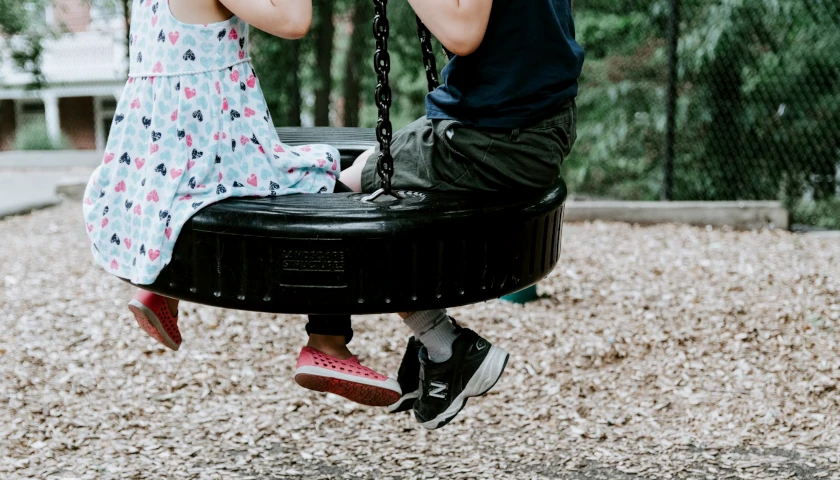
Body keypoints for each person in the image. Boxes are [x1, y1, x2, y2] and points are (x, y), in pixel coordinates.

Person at [81, 0, 402, 406]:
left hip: (159, 158)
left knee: (187, 196)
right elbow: (293, 21)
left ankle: (160, 280)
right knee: (324, 184)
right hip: (212, 144)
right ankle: (328, 342)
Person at [301, 0, 584, 430]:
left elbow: (463, 32)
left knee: (355, 189)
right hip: (527, 122)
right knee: (374, 181)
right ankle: (440, 348)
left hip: (499, 137)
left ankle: (337, 341)